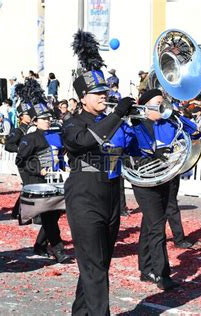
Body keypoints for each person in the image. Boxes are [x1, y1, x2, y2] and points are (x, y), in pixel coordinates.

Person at [63, 30, 135, 315]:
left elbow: (136, 149)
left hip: (111, 196)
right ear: (83, 98)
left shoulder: (112, 121)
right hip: (84, 195)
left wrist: (146, 122)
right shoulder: (72, 123)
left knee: (99, 264)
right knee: (94, 265)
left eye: (105, 92)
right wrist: (117, 117)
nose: (104, 96)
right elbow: (84, 142)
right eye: (98, 93)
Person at [129, 89, 200, 291]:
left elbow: (195, 132)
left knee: (149, 224)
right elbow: (128, 151)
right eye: (158, 102)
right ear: (145, 105)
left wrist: (176, 114)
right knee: (157, 227)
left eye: (164, 102)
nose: (163, 105)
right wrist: (152, 156)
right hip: (144, 181)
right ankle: (162, 274)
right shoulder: (136, 124)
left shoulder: (168, 122)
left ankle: (145, 268)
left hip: (166, 178)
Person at [16, 88, 71, 263]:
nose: (47, 121)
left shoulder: (56, 136)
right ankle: (59, 250)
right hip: (41, 183)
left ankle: (40, 245)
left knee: (53, 216)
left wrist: (64, 168)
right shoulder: (30, 138)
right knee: (49, 217)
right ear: (35, 121)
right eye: (44, 119)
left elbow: (61, 156)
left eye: (49, 118)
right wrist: (38, 170)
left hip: (57, 182)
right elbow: (21, 160)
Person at [5, 101, 33, 219]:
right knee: (28, 185)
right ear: (21, 116)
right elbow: (8, 145)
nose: (30, 116)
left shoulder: (33, 128)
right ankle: (18, 211)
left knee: (29, 186)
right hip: (22, 161)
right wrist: (21, 149)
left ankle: (19, 211)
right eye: (27, 114)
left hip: (32, 161)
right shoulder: (17, 131)